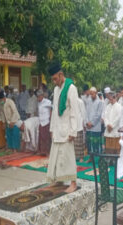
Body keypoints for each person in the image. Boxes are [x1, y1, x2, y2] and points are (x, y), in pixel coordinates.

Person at [47, 63, 79, 193]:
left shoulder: (71, 88)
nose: (54, 82)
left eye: (55, 79)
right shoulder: (55, 90)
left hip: (67, 130)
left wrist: (73, 131)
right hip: (57, 129)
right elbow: (54, 111)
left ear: (61, 75)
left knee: (68, 156)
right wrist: (51, 128)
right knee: (56, 156)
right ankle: (58, 180)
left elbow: (75, 112)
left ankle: (73, 183)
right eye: (52, 80)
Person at [85, 87, 104, 160]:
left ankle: (99, 158)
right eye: (90, 94)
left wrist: (92, 123)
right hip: (88, 126)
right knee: (89, 142)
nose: (91, 95)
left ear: (96, 93)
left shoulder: (100, 102)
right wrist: (87, 122)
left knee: (96, 142)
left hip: (95, 126)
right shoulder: (88, 101)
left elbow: (98, 114)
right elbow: (86, 112)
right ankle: (91, 157)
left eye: (92, 94)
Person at [37, 89, 52, 156]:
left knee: (46, 138)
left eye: (39, 97)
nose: (38, 98)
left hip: (46, 122)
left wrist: (51, 120)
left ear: (42, 96)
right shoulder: (39, 103)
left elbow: (51, 110)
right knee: (41, 138)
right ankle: (41, 151)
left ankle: (47, 152)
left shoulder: (48, 102)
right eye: (37, 97)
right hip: (41, 122)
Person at [74, 95, 86, 162]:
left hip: (79, 124)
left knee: (79, 142)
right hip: (72, 125)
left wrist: (84, 123)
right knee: (73, 142)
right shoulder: (70, 101)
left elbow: (83, 113)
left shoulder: (80, 101)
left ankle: (81, 157)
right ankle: (74, 157)